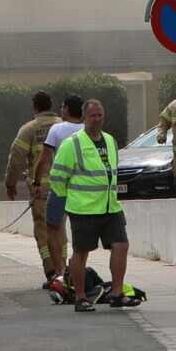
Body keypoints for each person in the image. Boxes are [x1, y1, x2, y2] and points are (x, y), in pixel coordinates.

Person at [49, 97, 136, 313]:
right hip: (83, 209)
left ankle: (117, 294)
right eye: (92, 116)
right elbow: (57, 176)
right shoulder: (73, 143)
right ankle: (79, 298)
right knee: (81, 252)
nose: (97, 119)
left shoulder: (110, 141)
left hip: (110, 207)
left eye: (100, 115)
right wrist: (68, 198)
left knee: (121, 245)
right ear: (84, 117)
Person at [3, 92, 65, 289]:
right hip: (64, 188)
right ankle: (63, 271)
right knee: (60, 230)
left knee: (43, 231)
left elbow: (16, 158)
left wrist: (10, 184)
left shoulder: (29, 129)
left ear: (35, 108)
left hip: (41, 190)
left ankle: (51, 272)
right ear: (51, 104)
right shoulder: (64, 125)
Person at [32, 95, 86, 299]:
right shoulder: (86, 130)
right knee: (80, 227)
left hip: (60, 186)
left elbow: (44, 158)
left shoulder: (57, 130)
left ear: (65, 110)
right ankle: (78, 269)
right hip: (82, 187)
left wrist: (37, 183)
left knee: (52, 227)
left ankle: (60, 272)